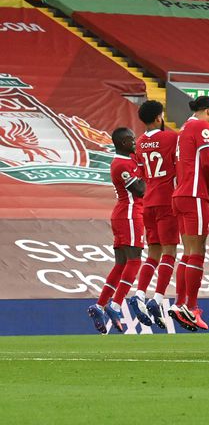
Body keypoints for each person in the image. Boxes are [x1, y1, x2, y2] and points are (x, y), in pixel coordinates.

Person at [88, 128, 146, 333]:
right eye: (131, 139)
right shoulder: (120, 164)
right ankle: (115, 305)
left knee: (121, 264)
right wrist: (150, 174)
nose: (134, 142)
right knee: (135, 260)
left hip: (124, 214)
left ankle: (99, 305)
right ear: (121, 142)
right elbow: (139, 190)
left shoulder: (130, 159)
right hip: (129, 215)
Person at [168, 95, 209, 332]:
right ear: (207, 111)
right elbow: (207, 162)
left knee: (187, 252)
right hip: (194, 194)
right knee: (198, 251)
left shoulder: (183, 129)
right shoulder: (201, 126)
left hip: (179, 194)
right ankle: (192, 306)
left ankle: (179, 304)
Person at [131, 100, 178, 329]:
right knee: (170, 252)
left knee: (153, 253)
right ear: (159, 117)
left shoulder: (139, 143)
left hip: (148, 201)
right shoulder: (171, 139)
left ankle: (139, 294)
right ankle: (157, 299)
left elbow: (140, 172)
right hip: (167, 200)